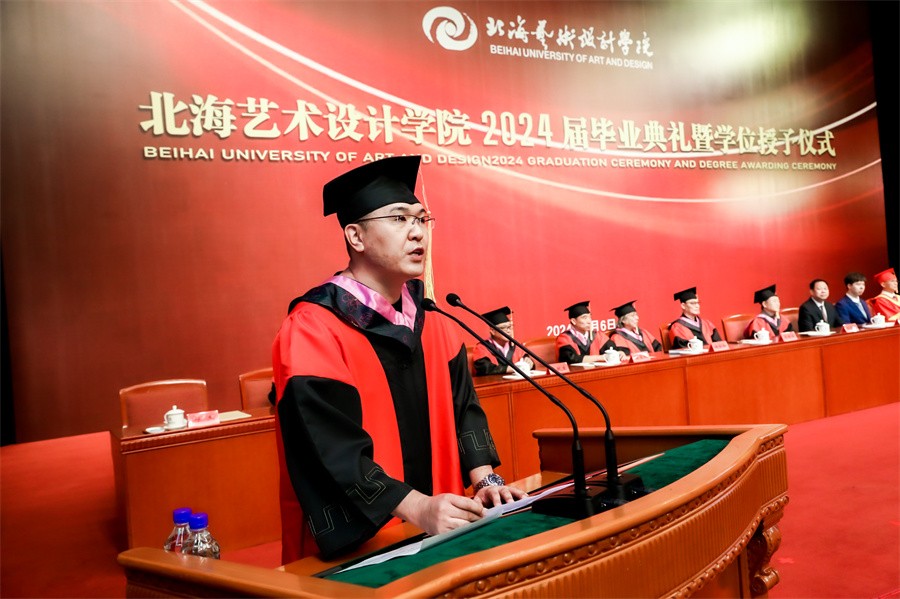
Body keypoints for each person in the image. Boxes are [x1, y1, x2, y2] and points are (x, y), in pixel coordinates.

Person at [271, 156, 525, 562]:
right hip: (364, 549)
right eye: (399, 218)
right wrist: (417, 507)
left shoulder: (432, 319)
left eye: (422, 219)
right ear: (356, 237)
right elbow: (328, 446)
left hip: (441, 529)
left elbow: (465, 409)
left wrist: (484, 480)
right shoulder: (314, 327)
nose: (417, 232)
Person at [472, 306, 534, 375]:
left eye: (509, 327)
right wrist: (510, 369)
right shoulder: (482, 348)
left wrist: (529, 362)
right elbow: (485, 368)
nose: (508, 331)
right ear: (493, 331)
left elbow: (526, 359)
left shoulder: (516, 346)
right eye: (504, 328)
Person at [555, 301, 622, 363]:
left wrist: (619, 353)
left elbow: (613, 349)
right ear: (573, 321)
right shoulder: (564, 338)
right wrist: (599, 358)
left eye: (590, 317)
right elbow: (570, 359)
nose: (589, 321)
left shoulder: (597, 335)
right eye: (584, 318)